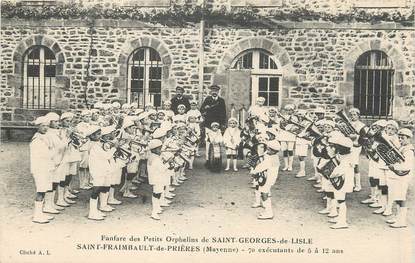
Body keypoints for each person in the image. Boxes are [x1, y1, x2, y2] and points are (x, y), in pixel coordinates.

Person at [30, 116, 55, 224]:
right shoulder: (37, 140)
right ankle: (37, 215)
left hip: (46, 168)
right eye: (43, 126)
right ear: (37, 127)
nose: (45, 128)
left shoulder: (45, 137)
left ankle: (40, 213)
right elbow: (43, 155)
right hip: (40, 169)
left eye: (47, 126)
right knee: (40, 191)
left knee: (44, 190)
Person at [387, 128, 414, 228]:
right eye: (399, 138)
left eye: (402, 138)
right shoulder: (402, 147)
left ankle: (402, 221)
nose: (400, 140)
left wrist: (393, 166)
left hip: (403, 177)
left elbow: (407, 166)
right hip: (398, 176)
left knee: (401, 198)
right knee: (397, 198)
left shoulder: (409, 151)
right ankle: (398, 217)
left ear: (408, 139)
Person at [250, 140, 281, 220]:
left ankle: (269, 212)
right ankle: (268, 210)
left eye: (268, 149)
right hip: (271, 179)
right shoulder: (275, 157)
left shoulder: (269, 159)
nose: (267, 151)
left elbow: (261, 167)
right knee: (265, 193)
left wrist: (254, 171)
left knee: (264, 194)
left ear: (272, 150)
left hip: (266, 179)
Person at [200, 85, 226, 163]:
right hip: (208, 123)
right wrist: (205, 108)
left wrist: (222, 123)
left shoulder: (221, 100)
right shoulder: (207, 99)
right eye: (213, 91)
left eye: (216, 91)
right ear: (211, 91)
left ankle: (217, 159)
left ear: (218, 92)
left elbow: (223, 112)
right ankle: (208, 159)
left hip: (217, 124)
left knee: (217, 141)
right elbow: (201, 110)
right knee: (208, 141)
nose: (214, 92)